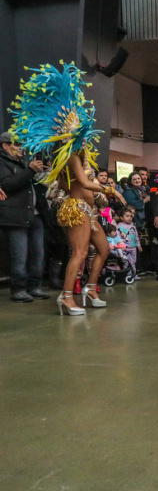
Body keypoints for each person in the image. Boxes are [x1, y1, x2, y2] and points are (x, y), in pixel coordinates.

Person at [10, 62, 126, 315]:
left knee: (104, 249)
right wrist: (110, 190)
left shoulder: (80, 155)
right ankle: (65, 297)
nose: (84, 134)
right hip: (77, 209)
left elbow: (74, 182)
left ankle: (92, 289)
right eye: (78, 130)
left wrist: (99, 195)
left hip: (90, 210)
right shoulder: (71, 155)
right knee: (80, 252)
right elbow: (83, 184)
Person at [0, 131, 50, 302]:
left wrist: (41, 174)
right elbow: (7, 185)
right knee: (19, 255)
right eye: (16, 144)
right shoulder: (2, 162)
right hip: (15, 215)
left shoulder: (22, 163)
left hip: (34, 214)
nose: (20, 148)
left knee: (38, 254)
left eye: (21, 144)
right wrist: (30, 171)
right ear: (5, 146)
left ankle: (35, 286)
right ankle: (18, 289)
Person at [117, 205, 141, 278]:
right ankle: (126, 274)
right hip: (125, 247)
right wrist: (120, 244)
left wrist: (138, 245)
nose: (129, 218)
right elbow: (117, 236)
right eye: (127, 216)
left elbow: (136, 236)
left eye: (131, 216)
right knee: (125, 262)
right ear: (121, 217)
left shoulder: (133, 226)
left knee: (133, 262)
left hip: (133, 247)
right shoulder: (119, 226)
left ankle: (133, 274)